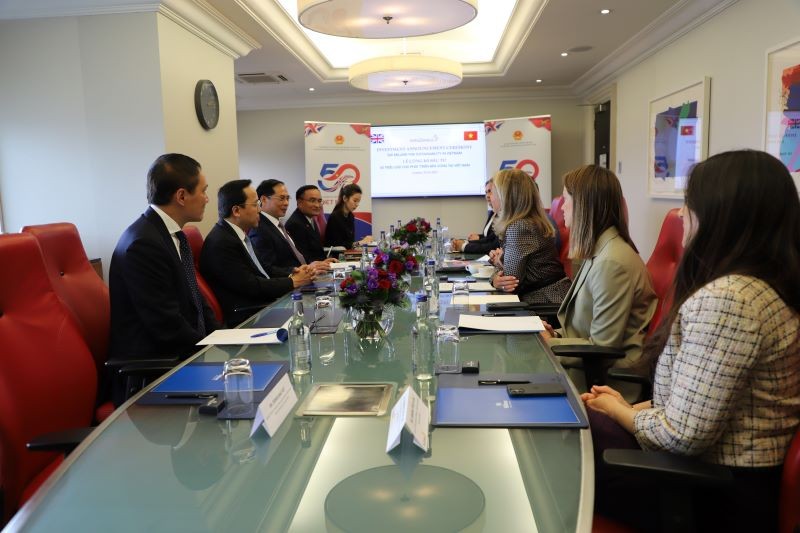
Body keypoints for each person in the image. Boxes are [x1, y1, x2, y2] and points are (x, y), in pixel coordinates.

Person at [581, 150, 800, 532]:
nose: (681, 215)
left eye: (689, 204)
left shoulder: (730, 301)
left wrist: (619, 412)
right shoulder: (762, 287)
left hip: (710, 495)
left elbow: (682, 436)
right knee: (577, 421)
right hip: (710, 477)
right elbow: (699, 401)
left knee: (564, 443)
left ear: (721, 216)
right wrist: (627, 406)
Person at [541, 164, 656, 370]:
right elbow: (583, 330)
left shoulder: (612, 263)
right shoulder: (600, 250)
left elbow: (602, 349)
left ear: (584, 205)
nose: (562, 207)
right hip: (585, 365)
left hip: (605, 378)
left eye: (566, 199)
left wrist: (547, 344)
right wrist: (554, 334)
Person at [109, 153, 220, 363]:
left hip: (185, 350)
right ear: (181, 196)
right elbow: (166, 325)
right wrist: (211, 349)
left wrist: (222, 338)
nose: (206, 198)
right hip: (158, 365)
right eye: (203, 191)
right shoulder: (143, 244)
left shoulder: (170, 235)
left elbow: (195, 300)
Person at [199, 179, 314, 326]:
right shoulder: (221, 243)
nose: (260, 210)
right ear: (236, 211)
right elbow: (251, 285)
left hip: (262, 306)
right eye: (255, 205)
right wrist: (293, 282)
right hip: (248, 317)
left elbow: (264, 270)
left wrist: (294, 272)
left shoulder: (236, 235)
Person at [487, 169, 570, 304]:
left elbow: (511, 282)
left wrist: (494, 275)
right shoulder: (528, 221)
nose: (490, 197)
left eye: (493, 192)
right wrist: (501, 263)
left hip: (545, 302)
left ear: (506, 196)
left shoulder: (519, 226)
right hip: (551, 297)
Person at [250, 179, 329, 277]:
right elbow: (267, 269)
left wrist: (315, 264)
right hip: (291, 283)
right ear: (264, 199)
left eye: (287, 198)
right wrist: (300, 270)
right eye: (282, 198)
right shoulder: (259, 229)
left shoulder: (278, 225)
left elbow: (296, 256)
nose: (286, 203)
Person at [285, 185, 335, 263]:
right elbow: (302, 258)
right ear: (299, 202)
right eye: (312, 200)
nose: (317, 205)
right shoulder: (295, 224)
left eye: (319, 201)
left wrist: (325, 261)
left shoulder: (310, 218)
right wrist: (322, 263)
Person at [451, 180, 501, 255]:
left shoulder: (503, 217)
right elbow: (488, 238)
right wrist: (466, 242)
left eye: (490, 191)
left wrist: (464, 246)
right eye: (486, 192)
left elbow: (493, 245)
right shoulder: (492, 213)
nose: (487, 196)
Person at [324, 183, 373, 249]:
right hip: (337, 254)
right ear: (345, 198)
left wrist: (362, 242)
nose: (357, 204)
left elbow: (350, 242)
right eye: (355, 201)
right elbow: (338, 245)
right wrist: (360, 243)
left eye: (358, 201)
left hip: (348, 252)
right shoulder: (335, 217)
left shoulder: (351, 216)